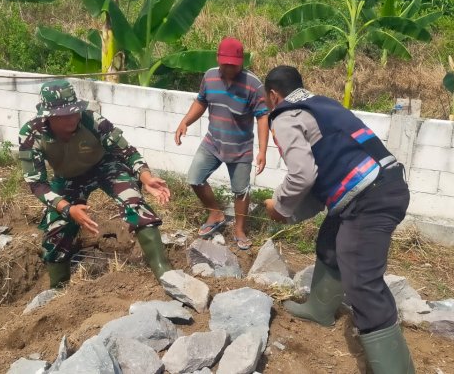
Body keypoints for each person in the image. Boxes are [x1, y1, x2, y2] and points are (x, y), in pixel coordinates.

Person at [261, 66, 415, 373]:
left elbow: (302, 175)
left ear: (274, 95)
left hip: (369, 197)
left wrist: (278, 205)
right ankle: (320, 308)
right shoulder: (322, 105)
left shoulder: (284, 116)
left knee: (362, 283)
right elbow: (325, 182)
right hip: (381, 184)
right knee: (331, 242)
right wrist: (289, 213)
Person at [19, 80, 173, 288]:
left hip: (105, 167)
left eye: (74, 112)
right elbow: (37, 184)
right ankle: (58, 292)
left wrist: (144, 176)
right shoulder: (32, 134)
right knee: (57, 229)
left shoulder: (91, 120)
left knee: (134, 203)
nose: (72, 118)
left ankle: (166, 274)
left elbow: (126, 151)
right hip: (67, 179)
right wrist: (67, 209)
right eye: (64, 115)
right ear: (49, 115)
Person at [174, 37, 269, 250]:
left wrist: (263, 150)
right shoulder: (209, 77)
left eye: (233, 65)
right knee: (195, 178)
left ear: (241, 62)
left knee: (241, 191)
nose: (228, 68)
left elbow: (263, 117)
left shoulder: (253, 85)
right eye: (225, 63)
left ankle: (239, 229)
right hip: (212, 142)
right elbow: (201, 101)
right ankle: (215, 214)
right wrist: (185, 121)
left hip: (240, 149)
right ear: (218, 59)